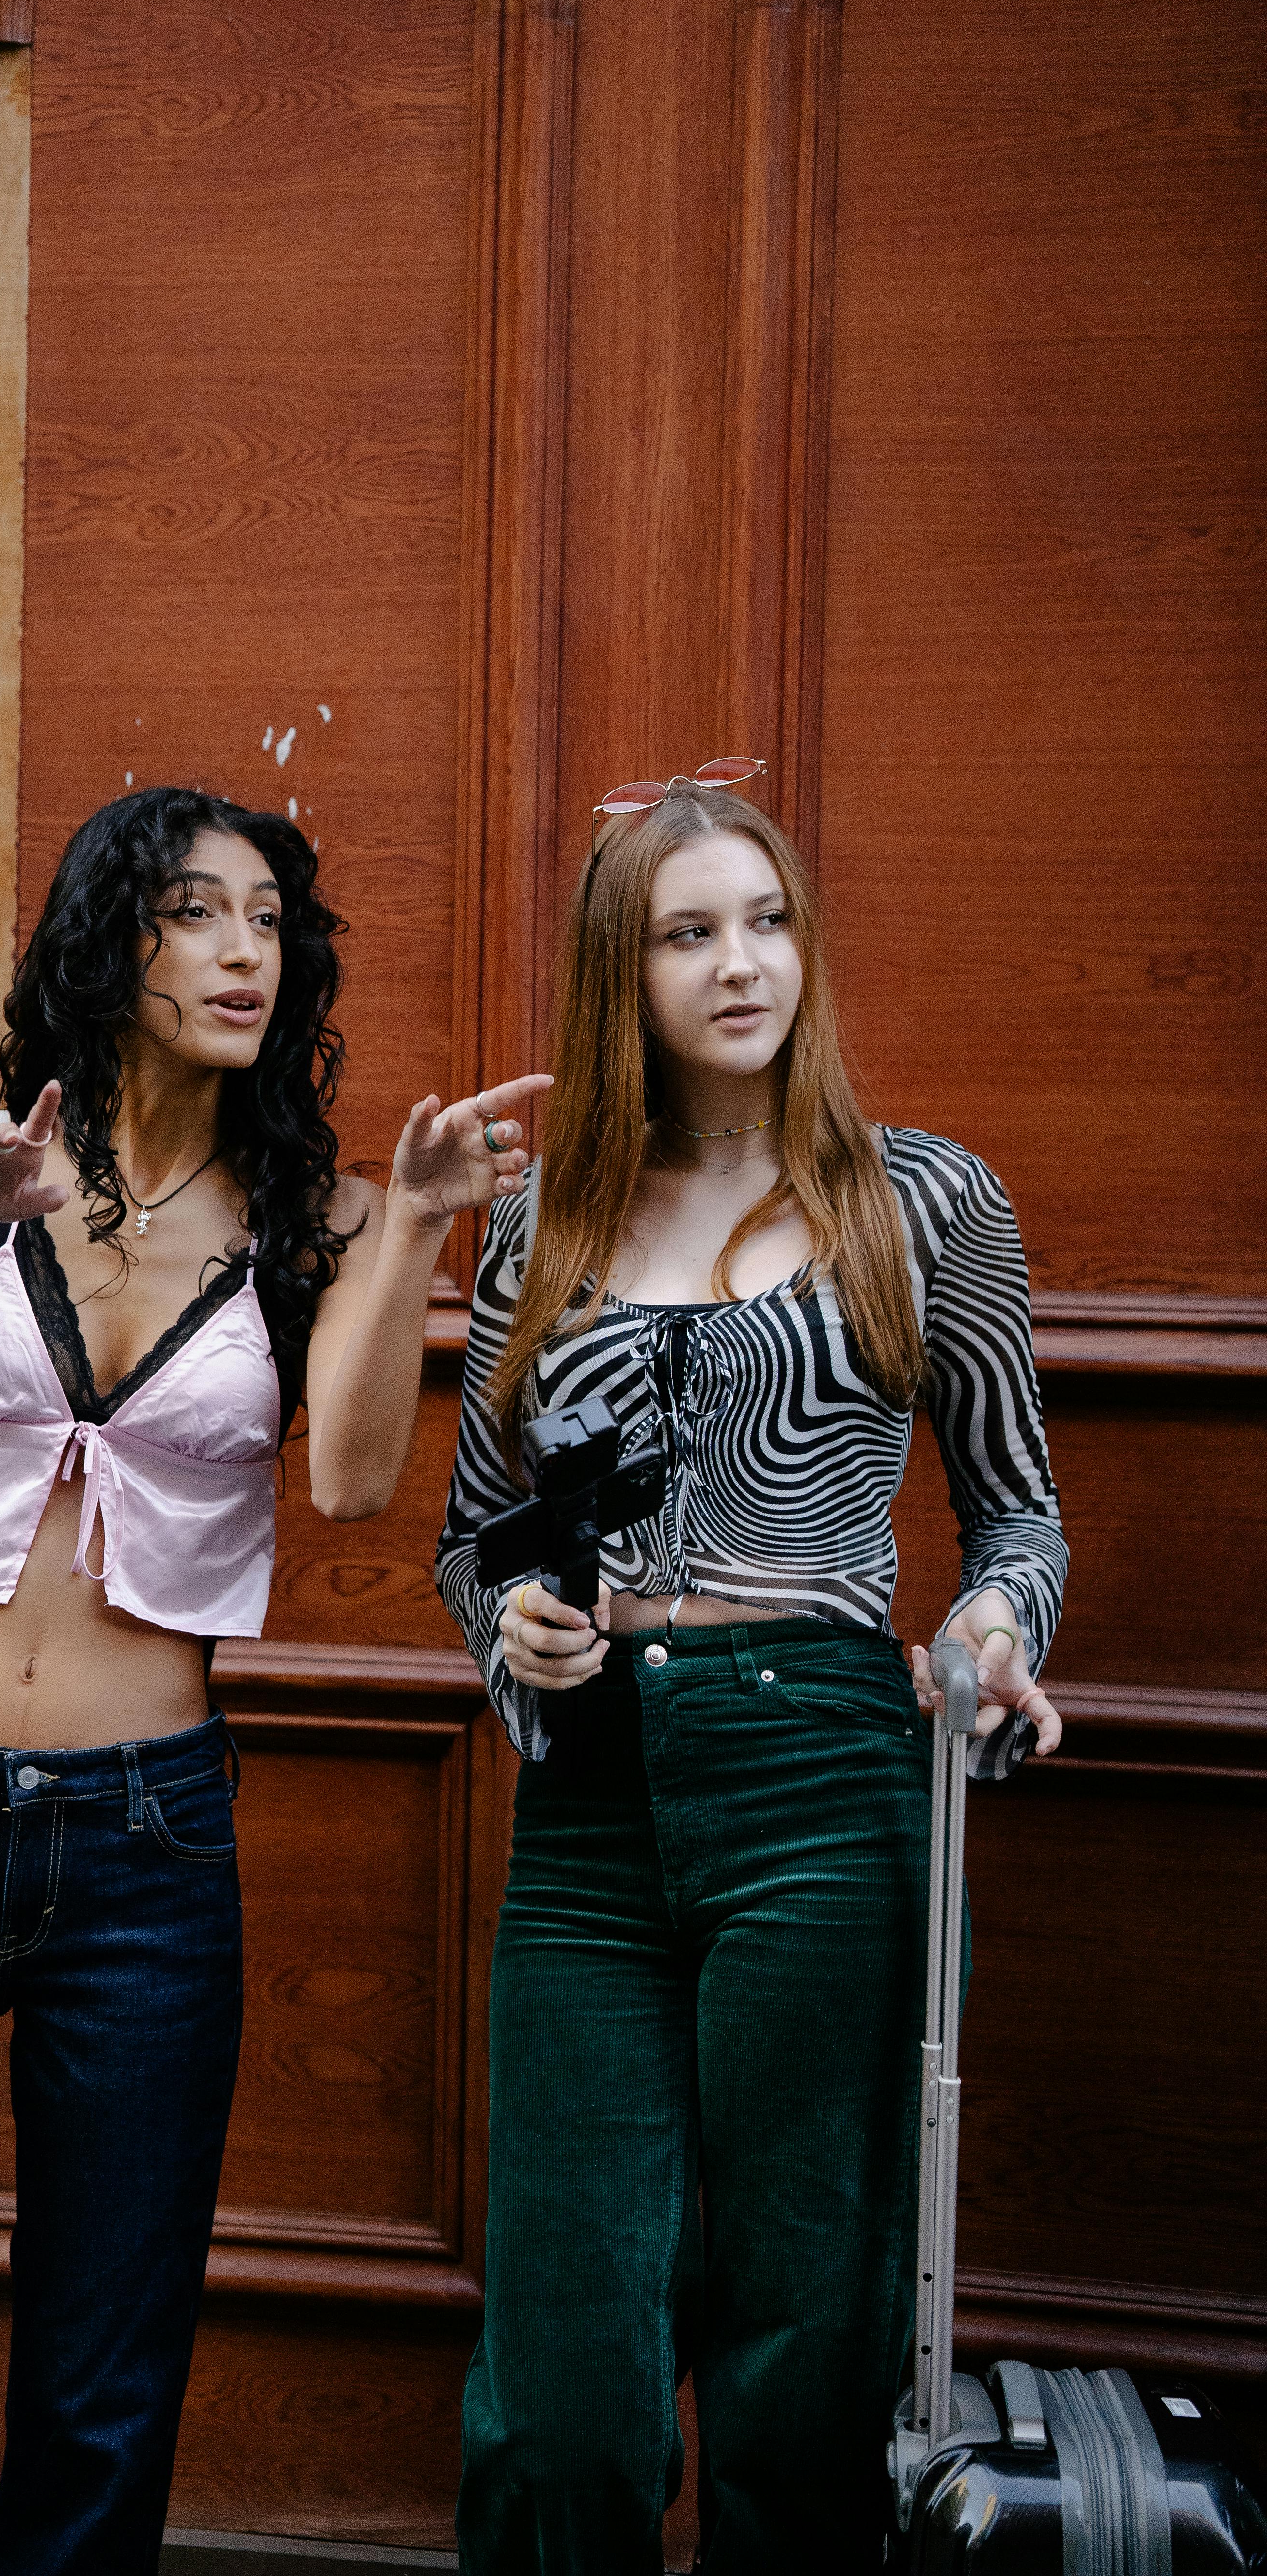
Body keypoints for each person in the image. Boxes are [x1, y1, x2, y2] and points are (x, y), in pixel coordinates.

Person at [0, 785, 548, 2576]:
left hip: (145, 1850)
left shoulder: (321, 1219)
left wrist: (419, 1234)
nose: (240, 954)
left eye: (269, 924)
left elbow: (361, 1479)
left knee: (101, 2395)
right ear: (110, 939)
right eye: (195, 914)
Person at [434, 763, 1066, 2573]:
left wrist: (991, 1626)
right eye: (688, 932)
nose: (740, 964)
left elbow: (1021, 1520)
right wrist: (518, 1632)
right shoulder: (537, 1216)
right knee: (560, 2384)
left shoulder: (922, 1202)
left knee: (808, 2340)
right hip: (593, 1804)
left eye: (768, 921)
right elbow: (475, 1538)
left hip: (828, 1785)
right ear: (619, 974)